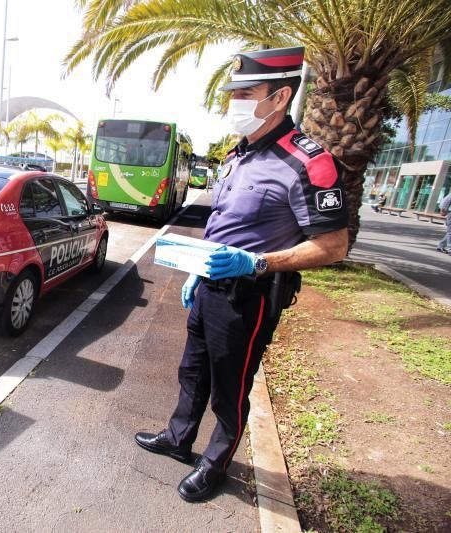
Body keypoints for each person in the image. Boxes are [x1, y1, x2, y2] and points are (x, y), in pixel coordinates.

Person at [135, 46, 349, 502]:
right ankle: (178, 438)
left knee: (230, 385)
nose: (234, 102)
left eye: (246, 93)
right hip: (210, 283)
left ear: (279, 98)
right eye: (234, 93)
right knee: (193, 371)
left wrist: (257, 262)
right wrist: (199, 268)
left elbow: (334, 245)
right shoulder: (238, 154)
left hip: (249, 294)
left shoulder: (308, 162)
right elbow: (225, 222)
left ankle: (215, 464)